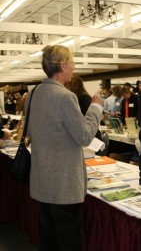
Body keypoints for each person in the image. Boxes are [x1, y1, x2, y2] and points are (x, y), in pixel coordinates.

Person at [25, 44, 104, 251]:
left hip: (42, 183)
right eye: (72, 63)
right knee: (69, 242)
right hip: (64, 187)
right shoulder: (66, 97)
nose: (73, 68)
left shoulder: (33, 95)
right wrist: (96, 107)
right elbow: (85, 136)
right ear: (61, 66)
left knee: (48, 240)